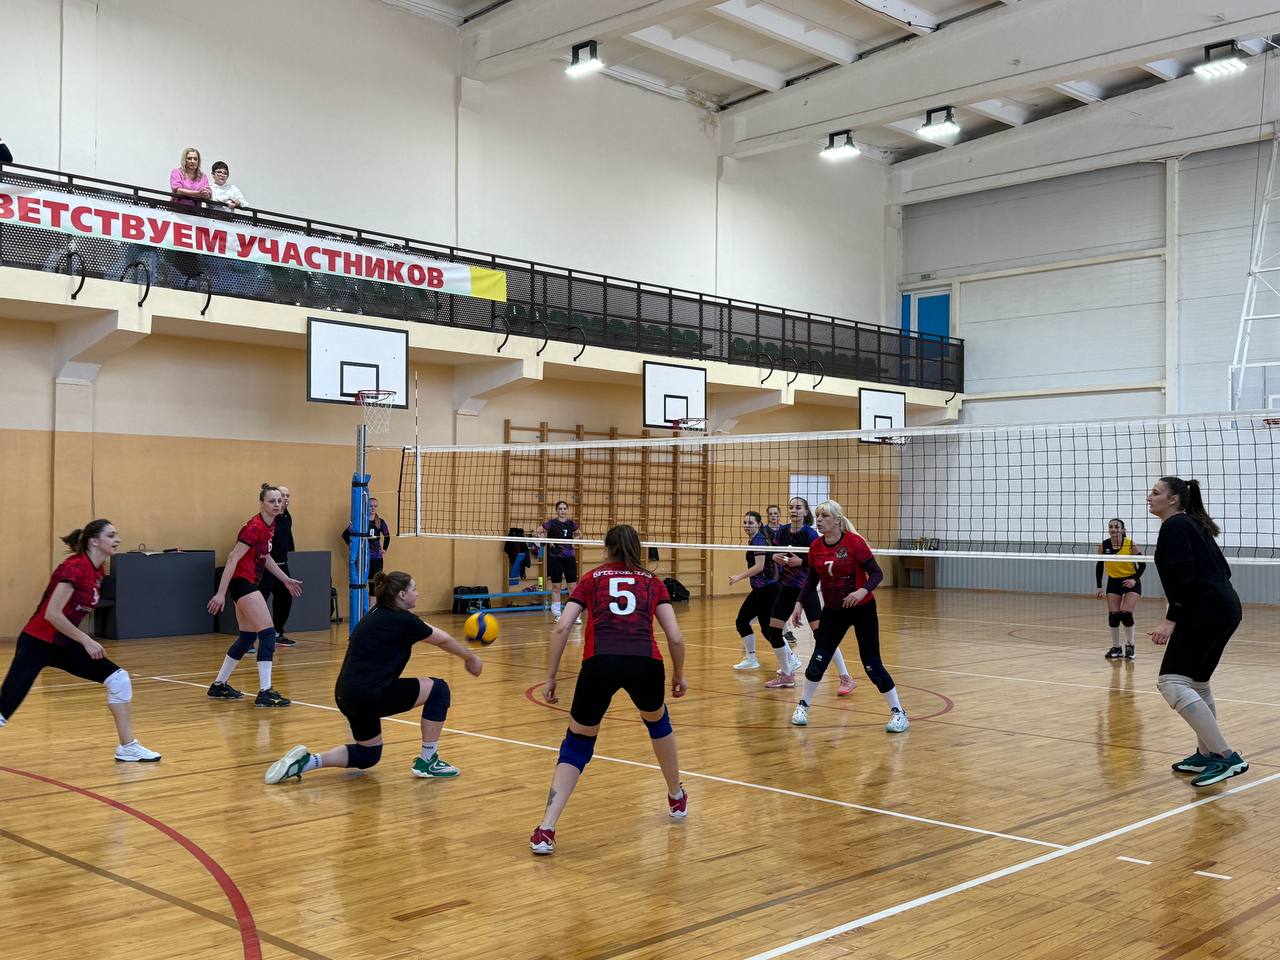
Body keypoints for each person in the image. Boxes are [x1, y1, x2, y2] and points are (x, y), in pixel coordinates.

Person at [530, 524, 687, 856]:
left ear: (607, 548)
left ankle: (546, 828)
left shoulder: (591, 579)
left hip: (599, 662)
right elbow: (675, 636)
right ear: (638, 548)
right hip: (645, 662)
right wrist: (679, 674)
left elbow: (562, 627)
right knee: (658, 723)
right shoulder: (653, 582)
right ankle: (676, 796)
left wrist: (551, 676)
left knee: (578, 741)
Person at [266, 571, 481, 784]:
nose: (417, 593)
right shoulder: (402, 620)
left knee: (368, 755)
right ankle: (428, 761)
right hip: (370, 694)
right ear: (402, 595)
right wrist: (470, 658)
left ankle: (307, 762)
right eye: (414, 589)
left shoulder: (377, 612)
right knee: (439, 689)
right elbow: (443, 640)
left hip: (346, 695)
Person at [0, 520, 161, 762]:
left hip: (63, 644)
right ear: (94, 541)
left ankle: (128, 747)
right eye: (111, 535)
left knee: (119, 680)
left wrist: (81, 641)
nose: (117, 539)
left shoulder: (98, 570)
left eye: (116, 535)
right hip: (38, 642)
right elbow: (53, 614)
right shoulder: (74, 567)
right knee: (5, 707)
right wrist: (87, 640)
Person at [1147, 476, 1247, 788]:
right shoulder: (1193, 524)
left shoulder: (1175, 526)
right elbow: (1225, 570)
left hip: (1204, 609)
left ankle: (1225, 756)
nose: (1149, 497)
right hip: (1226, 606)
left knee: (1172, 683)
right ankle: (1206, 755)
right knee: (1198, 684)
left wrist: (1171, 619)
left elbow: (1185, 577)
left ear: (1173, 499)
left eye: (1155, 492)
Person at [790, 500, 907, 732]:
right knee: (817, 662)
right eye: (817, 515)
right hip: (834, 611)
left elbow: (876, 573)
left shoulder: (854, 543)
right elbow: (811, 580)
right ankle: (802, 706)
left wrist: (862, 591)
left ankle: (899, 712)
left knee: (872, 665)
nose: (819, 520)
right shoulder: (816, 547)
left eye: (824, 516)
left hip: (862, 610)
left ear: (837, 520)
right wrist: (799, 603)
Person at [206, 484, 303, 707]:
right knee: (267, 633)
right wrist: (220, 593)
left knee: (248, 637)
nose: (277, 504)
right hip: (242, 583)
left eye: (279, 500)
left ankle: (219, 685)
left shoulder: (270, 525)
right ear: (261, 504)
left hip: (246, 583)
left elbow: (265, 557)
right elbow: (232, 558)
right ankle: (265, 692)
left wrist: (285, 579)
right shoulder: (254, 527)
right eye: (272, 501)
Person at [766, 497, 856, 695]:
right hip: (787, 587)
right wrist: (774, 556)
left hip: (805, 588)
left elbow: (819, 558)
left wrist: (801, 562)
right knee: (773, 630)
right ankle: (787, 675)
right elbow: (774, 551)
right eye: (791, 507)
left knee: (821, 635)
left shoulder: (810, 534)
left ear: (805, 511)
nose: (793, 510)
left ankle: (845, 677)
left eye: (798, 508)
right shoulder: (782, 531)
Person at [728, 511, 777, 671]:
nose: (747, 526)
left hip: (767, 589)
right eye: (745, 523)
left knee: (763, 628)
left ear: (759, 524)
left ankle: (790, 658)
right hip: (761, 589)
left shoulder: (758, 540)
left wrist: (739, 577)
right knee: (745, 623)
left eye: (751, 523)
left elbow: (759, 566)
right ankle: (751, 659)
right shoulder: (755, 539)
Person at [1095, 517, 1144, 661]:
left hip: (1131, 581)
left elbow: (1143, 564)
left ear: (1123, 530)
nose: (1113, 529)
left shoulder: (1130, 544)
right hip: (1113, 582)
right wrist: (1099, 586)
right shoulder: (1104, 545)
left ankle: (1130, 645)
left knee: (1126, 614)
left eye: (1116, 527)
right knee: (1113, 616)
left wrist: (1134, 579)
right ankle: (1116, 647)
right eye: (1110, 527)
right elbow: (1099, 566)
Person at [261, 485, 297, 646]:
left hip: (282, 565)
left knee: (285, 598)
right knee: (258, 600)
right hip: (266, 566)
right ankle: (248, 637)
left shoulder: (286, 516)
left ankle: (277, 632)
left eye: (287, 496)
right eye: (282, 496)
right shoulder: (267, 519)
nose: (285, 499)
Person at [542, 500, 581, 622]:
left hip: (569, 558)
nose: (562, 511)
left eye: (564, 508)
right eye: (560, 509)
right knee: (556, 586)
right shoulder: (551, 523)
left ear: (567, 510)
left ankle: (575, 615)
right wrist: (547, 541)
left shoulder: (571, 523)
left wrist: (574, 542)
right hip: (555, 558)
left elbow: (579, 534)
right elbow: (539, 531)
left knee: (572, 587)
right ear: (557, 510)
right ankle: (557, 614)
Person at [341, 497, 391, 578]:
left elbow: (387, 536)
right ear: (366, 507)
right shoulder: (360, 522)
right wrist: (354, 548)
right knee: (362, 580)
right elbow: (345, 534)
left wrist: (385, 549)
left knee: (376, 581)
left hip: (377, 557)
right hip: (363, 556)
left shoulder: (381, 522)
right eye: (370, 506)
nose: (373, 508)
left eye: (375, 506)